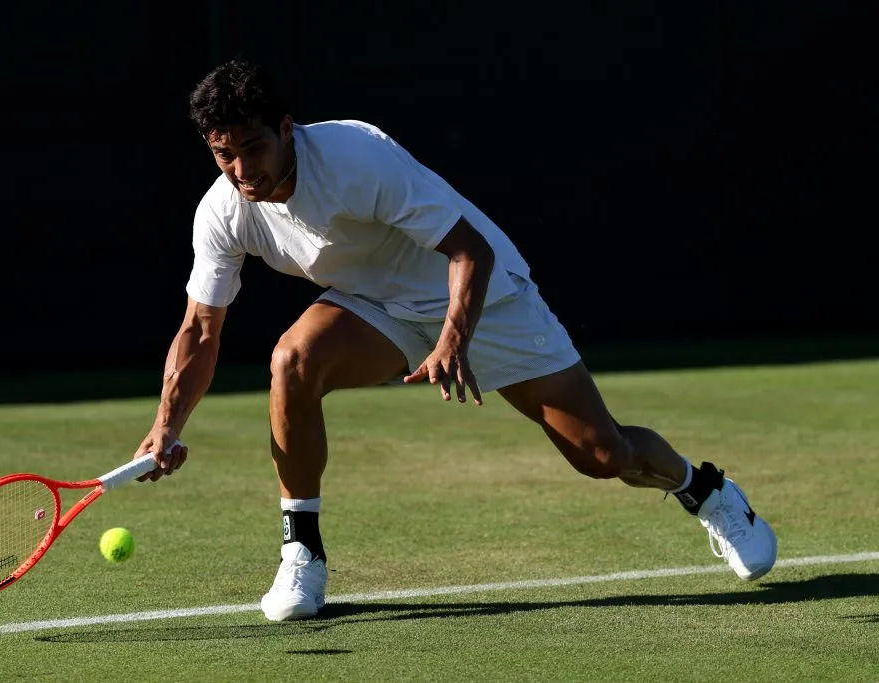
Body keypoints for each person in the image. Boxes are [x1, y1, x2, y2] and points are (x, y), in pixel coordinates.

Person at [131, 58, 777, 622]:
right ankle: (302, 550)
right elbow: (199, 329)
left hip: (485, 295)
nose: (243, 169)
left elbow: (467, 248)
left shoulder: (357, 155)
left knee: (602, 454)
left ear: (286, 129)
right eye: (224, 154)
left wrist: (453, 337)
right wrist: (166, 424)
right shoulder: (222, 211)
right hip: (376, 306)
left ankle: (707, 490)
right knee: (293, 359)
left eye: (254, 146)